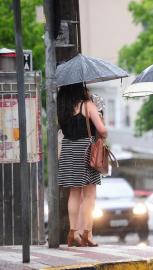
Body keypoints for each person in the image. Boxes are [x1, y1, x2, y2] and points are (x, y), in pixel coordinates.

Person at [57, 83, 107, 247]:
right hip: (86, 149)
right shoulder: (88, 105)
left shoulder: (63, 108)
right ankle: (87, 233)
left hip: (68, 148)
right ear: (80, 88)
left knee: (74, 192)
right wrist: (99, 117)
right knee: (90, 194)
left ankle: (73, 233)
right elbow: (102, 130)